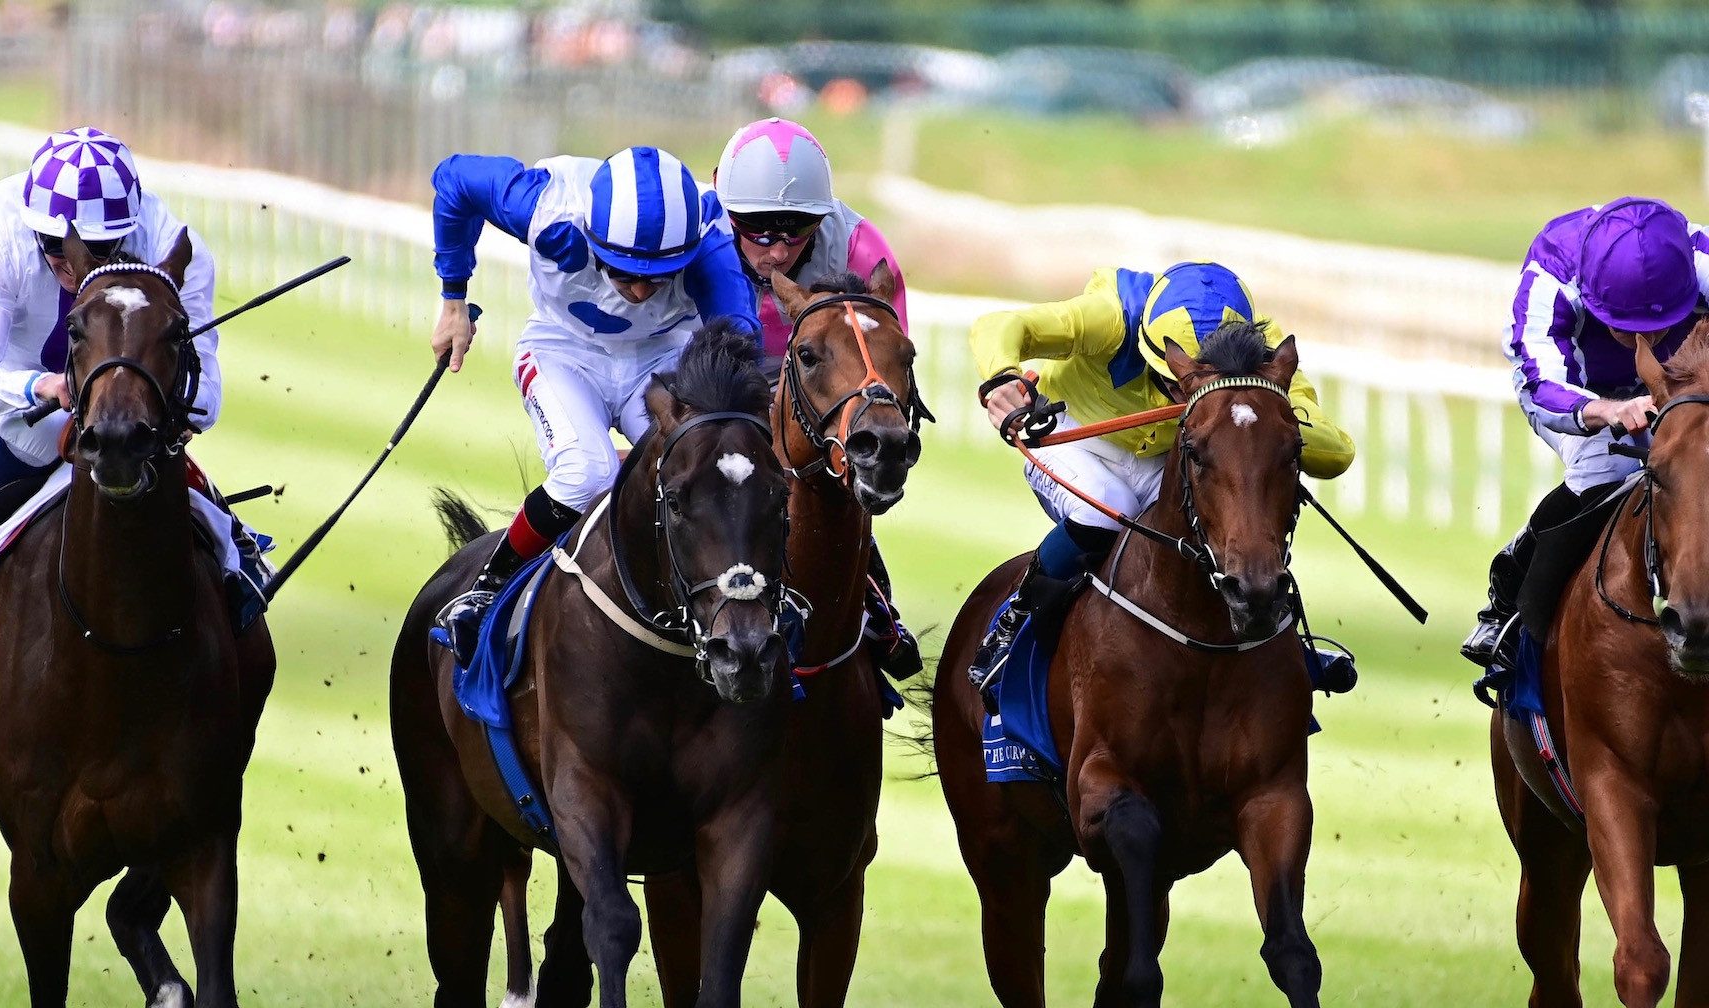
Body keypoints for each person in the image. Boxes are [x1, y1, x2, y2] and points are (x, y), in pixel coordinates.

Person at [0, 127, 268, 652]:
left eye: (101, 249)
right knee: (41, 434)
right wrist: (45, 385)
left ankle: (230, 544)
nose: (74, 264)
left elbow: (207, 400)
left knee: (146, 439)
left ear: (129, 231)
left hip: (130, 399)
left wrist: (148, 398)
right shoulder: (2, 237)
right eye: (56, 247)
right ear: (34, 229)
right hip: (25, 385)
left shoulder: (171, 246)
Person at [428, 144, 758, 666]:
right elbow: (454, 180)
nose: (641, 290)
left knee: (702, 466)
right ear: (592, 237)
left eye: (658, 275)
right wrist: (453, 298)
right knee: (585, 473)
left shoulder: (708, 241)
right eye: (624, 272)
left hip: (660, 356)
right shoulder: (547, 208)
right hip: (563, 349)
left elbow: (738, 345)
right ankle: (488, 588)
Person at [969, 261, 1356, 695]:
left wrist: (1259, 423)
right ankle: (1013, 623)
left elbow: (1337, 450)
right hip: (1076, 439)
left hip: (1167, 458)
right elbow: (1000, 324)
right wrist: (1002, 376)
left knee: (1230, 522)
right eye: (1177, 382)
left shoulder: (1259, 357)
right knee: (1109, 511)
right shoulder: (1113, 318)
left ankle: (1286, 645)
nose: (1184, 392)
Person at [1461, 196, 1709, 669]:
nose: (1646, 340)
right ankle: (1510, 596)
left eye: (1659, 324)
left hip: (1684, 389)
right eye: (1625, 327)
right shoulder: (1553, 270)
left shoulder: (1698, 257)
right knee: (1607, 468)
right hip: (1580, 391)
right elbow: (1540, 383)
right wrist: (1609, 410)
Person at [713, 116, 920, 679]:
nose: (778, 251)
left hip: (816, 388)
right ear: (727, 210)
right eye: (759, 231)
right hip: (716, 373)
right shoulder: (697, 234)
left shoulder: (860, 248)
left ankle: (870, 597)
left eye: (796, 231)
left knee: (847, 459)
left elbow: (889, 363)